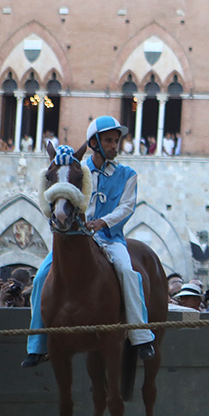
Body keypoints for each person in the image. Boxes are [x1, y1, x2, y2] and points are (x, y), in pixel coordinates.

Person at [21, 116, 156, 366]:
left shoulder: (128, 175)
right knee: (40, 278)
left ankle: (140, 336)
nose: (114, 146)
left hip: (111, 238)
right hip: (76, 238)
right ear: (94, 143)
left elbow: (127, 207)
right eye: (108, 140)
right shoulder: (78, 171)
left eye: (116, 141)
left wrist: (103, 222)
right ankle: (37, 344)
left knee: (128, 272)